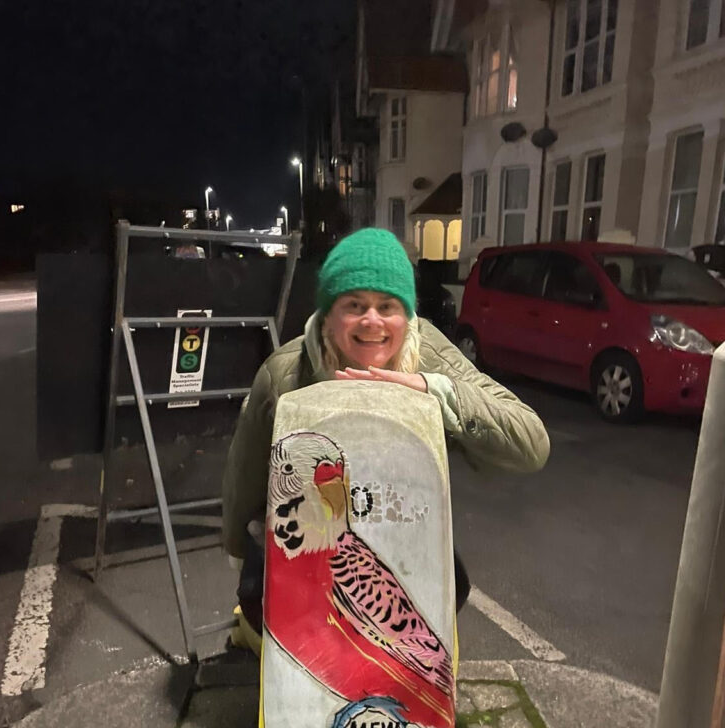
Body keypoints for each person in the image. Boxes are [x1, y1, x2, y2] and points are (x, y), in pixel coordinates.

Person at [222, 227, 550, 640]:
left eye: (387, 306)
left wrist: (439, 393)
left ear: (407, 314)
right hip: (310, 542)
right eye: (354, 304)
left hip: (399, 540)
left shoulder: (429, 353)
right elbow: (245, 473)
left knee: (446, 595)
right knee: (274, 615)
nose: (372, 321)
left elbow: (532, 442)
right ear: (329, 313)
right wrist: (239, 551)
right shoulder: (284, 375)